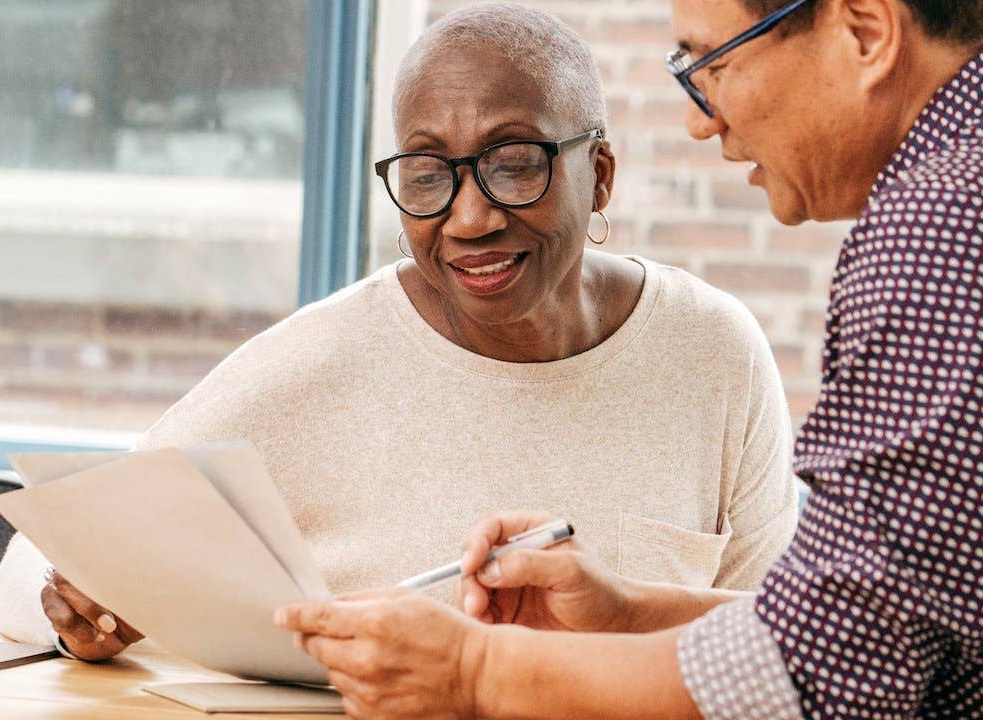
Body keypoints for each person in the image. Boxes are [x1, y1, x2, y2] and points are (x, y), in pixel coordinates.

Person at [0, 2, 799, 664]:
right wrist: (81, 609)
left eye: (514, 162)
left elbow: (783, 656)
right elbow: (40, 558)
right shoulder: (318, 363)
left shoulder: (713, 355)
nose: (471, 217)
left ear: (601, 177)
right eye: (426, 173)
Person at [276, 0, 983, 717]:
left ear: (866, 32)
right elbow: (887, 621)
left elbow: (831, 671)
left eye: (716, 63)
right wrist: (624, 615)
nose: (701, 119)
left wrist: (472, 668)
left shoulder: (936, 232)